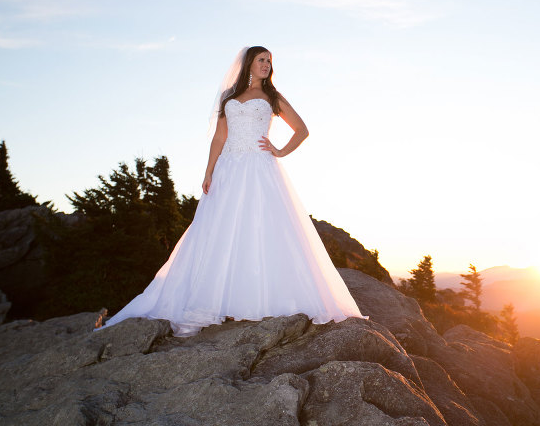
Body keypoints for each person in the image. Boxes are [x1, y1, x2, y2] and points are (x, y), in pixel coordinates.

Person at [95, 46, 369, 337]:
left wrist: (279, 151)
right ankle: (214, 300)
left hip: (260, 168)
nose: (266, 65)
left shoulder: (272, 97)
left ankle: (261, 300)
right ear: (249, 64)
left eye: (269, 61)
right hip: (228, 169)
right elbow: (219, 137)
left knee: (262, 228)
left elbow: (301, 129)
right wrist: (209, 170)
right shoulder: (229, 98)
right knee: (219, 232)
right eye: (261, 60)